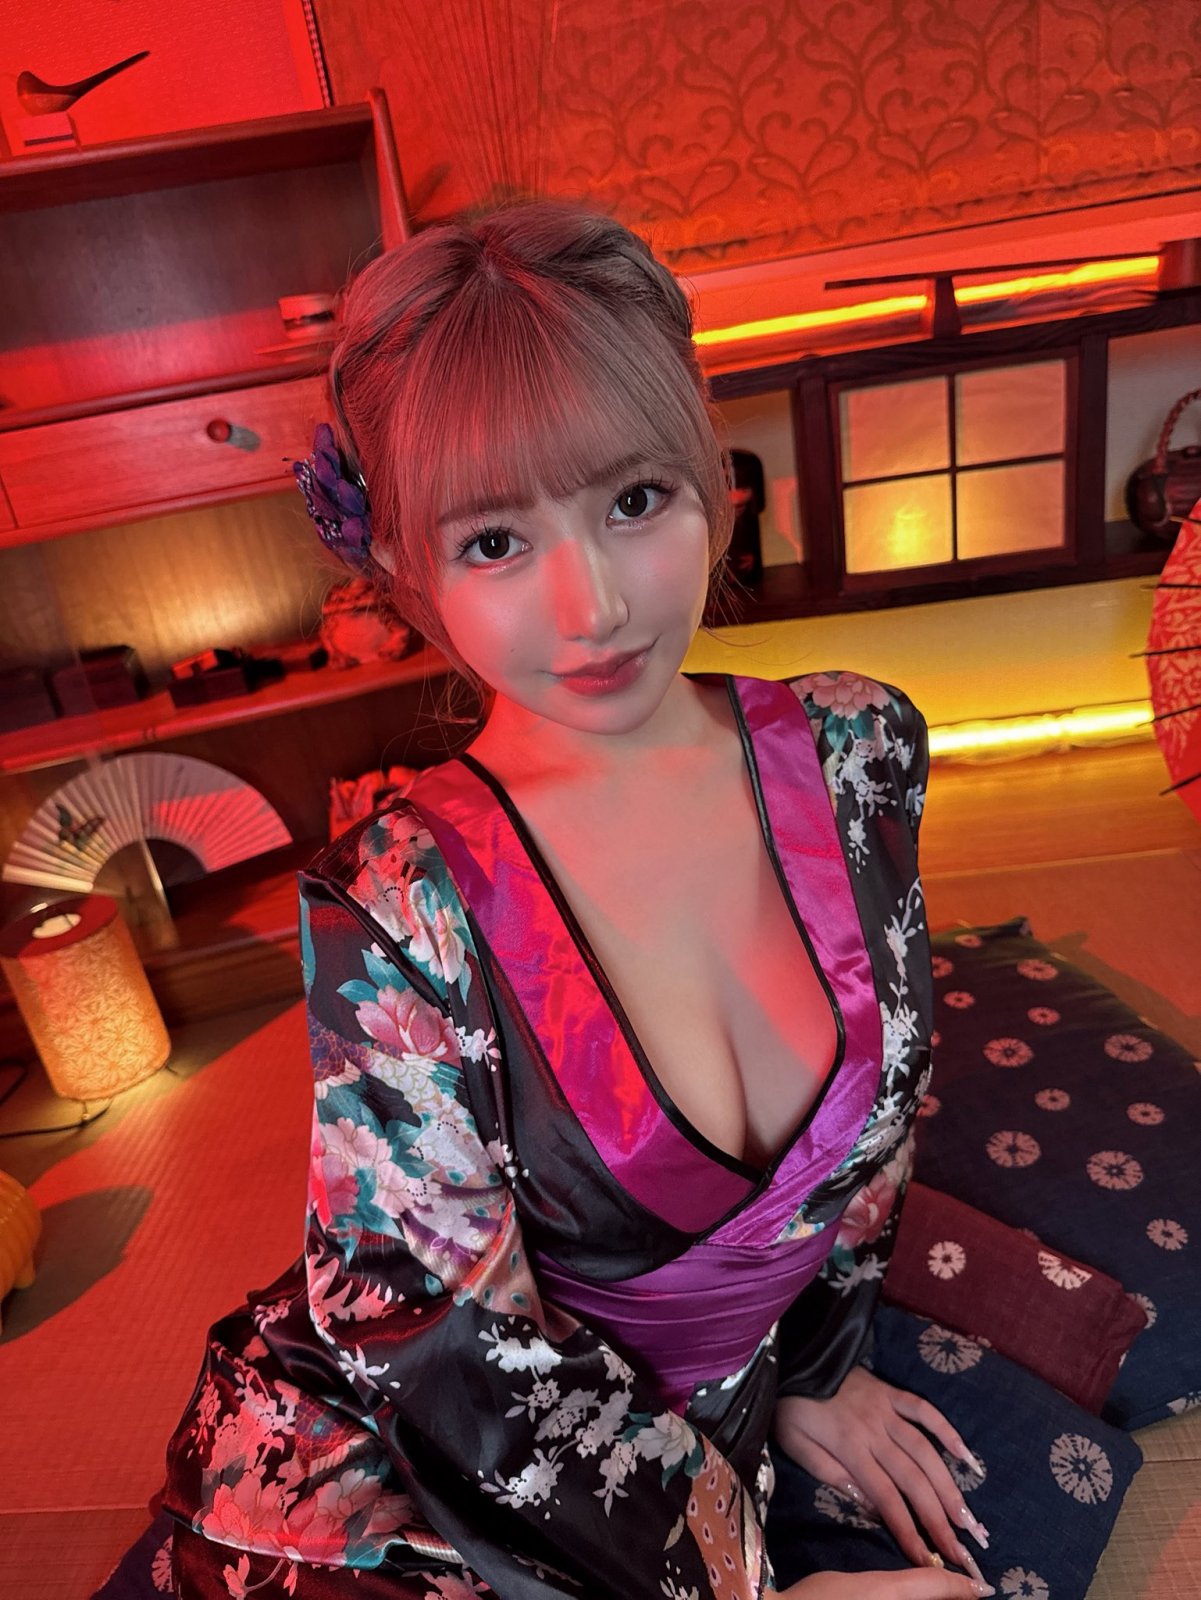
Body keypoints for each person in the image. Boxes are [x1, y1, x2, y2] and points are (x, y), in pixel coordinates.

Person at [162, 201, 994, 1600]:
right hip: (453, 1460)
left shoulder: (858, 748)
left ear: (711, 474)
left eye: (635, 500)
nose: (593, 604)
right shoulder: (397, 904)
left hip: (718, 1404)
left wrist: (813, 1369)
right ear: (403, 571)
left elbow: (879, 1131)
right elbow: (442, 1343)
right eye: (495, 540)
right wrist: (745, 1585)